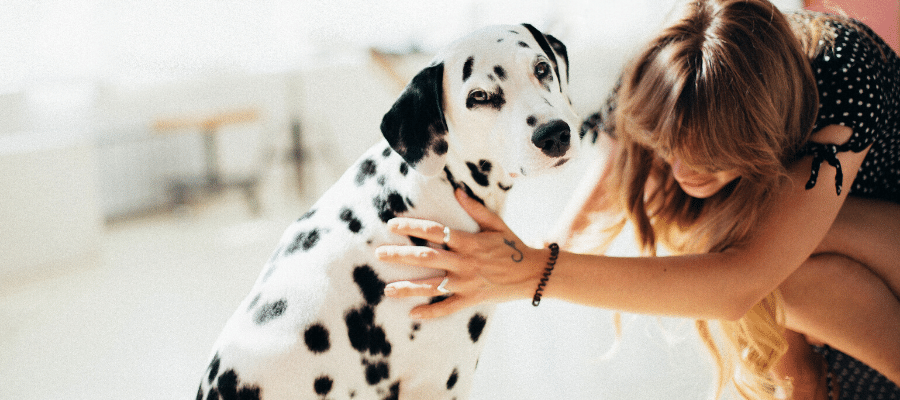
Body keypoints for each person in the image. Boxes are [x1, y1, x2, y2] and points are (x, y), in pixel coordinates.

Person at [375, 0, 900, 399]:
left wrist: (535, 272)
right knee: (790, 279)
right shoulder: (677, 66)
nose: (682, 170)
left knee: (768, 252)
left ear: (766, 130)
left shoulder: (841, 70)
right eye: (669, 147)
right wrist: (523, 254)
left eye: (711, 156)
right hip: (848, 318)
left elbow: (743, 280)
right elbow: (605, 173)